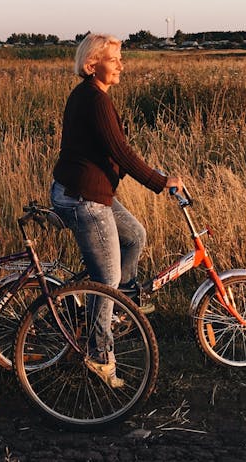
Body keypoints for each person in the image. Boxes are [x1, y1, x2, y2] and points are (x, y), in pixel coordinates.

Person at [50, 33, 182, 388]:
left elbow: (114, 151)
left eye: (121, 58)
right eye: (114, 59)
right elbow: (121, 152)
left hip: (91, 192)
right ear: (93, 65)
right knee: (105, 281)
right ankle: (98, 355)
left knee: (134, 235)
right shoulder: (94, 100)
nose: (121, 65)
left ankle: (115, 311)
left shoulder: (93, 96)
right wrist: (161, 180)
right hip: (83, 198)